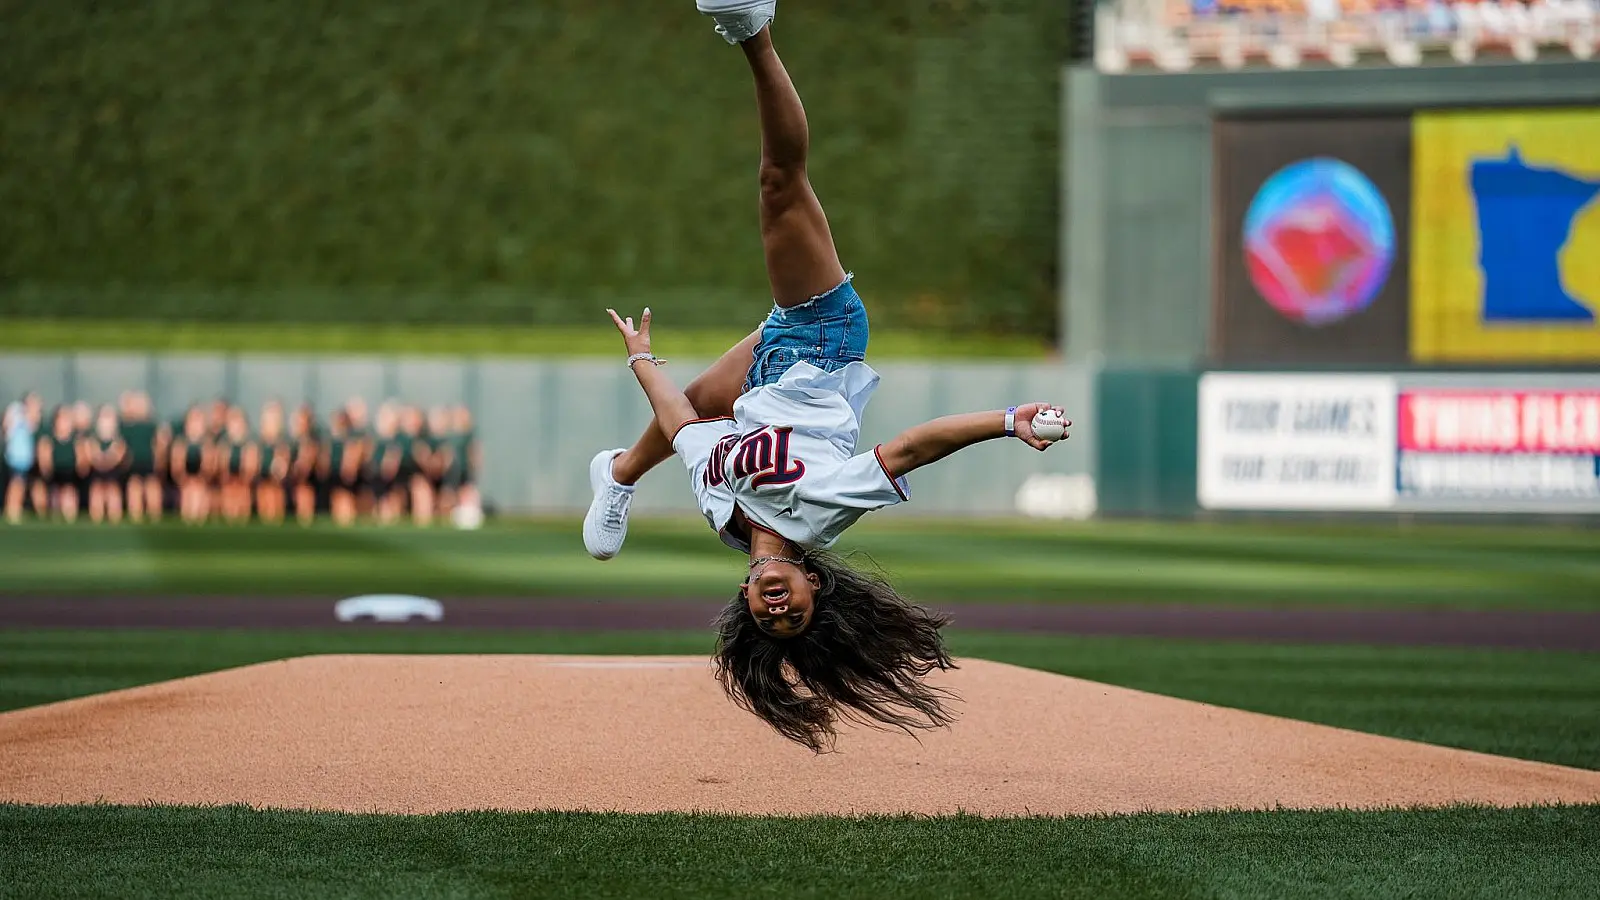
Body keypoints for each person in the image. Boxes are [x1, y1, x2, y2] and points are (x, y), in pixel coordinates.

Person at [583, 4, 1070, 752]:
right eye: (796, 615)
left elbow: (684, 425)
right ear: (817, 587)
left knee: (708, 401)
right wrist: (1007, 421)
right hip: (823, 340)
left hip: (765, 373)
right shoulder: (820, 515)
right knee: (780, 182)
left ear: (746, 602)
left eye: (769, 620)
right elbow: (910, 449)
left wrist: (640, 358)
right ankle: (754, 31)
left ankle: (616, 474)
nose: (780, 611)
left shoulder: (720, 513)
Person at [118, 391, 167, 524]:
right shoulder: (127, 425)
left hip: (149, 460)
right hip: (133, 462)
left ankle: (155, 515)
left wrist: (159, 457)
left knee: (152, 486)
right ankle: (136, 515)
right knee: (134, 486)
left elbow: (160, 442)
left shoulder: (152, 425)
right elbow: (122, 445)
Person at [36, 406, 85, 522]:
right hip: (55, 473)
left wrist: (81, 469)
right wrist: (47, 471)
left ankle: (70, 517)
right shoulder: (49, 439)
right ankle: (55, 516)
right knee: (55, 493)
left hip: (70, 473)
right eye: (62, 419)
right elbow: (44, 458)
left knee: (69, 491)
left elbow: (81, 458)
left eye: (67, 420)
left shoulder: (76, 439)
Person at [170, 406, 214, 525]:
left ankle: (199, 517)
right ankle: (187, 517)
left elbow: (209, 461)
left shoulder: (206, 442)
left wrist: (205, 474)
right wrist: (180, 475)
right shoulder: (182, 441)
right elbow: (177, 460)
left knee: (199, 489)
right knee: (187, 490)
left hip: (201, 474)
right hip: (186, 473)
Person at [86, 405, 128, 525]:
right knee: (96, 490)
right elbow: (92, 456)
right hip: (97, 473)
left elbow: (118, 456)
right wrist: (102, 460)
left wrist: (106, 460)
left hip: (113, 473)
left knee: (113, 491)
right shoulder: (92, 439)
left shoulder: (118, 440)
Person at [3, 394, 41, 524]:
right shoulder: (15, 412)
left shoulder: (28, 416)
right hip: (15, 457)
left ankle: (16, 509)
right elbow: (7, 427)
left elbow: (33, 425)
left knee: (20, 485)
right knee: (16, 484)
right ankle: (12, 511)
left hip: (25, 458)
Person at [254, 401, 291, 525]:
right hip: (263, 474)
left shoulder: (281, 442)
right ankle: (265, 517)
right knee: (264, 492)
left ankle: (277, 518)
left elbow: (283, 459)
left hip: (276, 477)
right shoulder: (260, 442)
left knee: (276, 493)